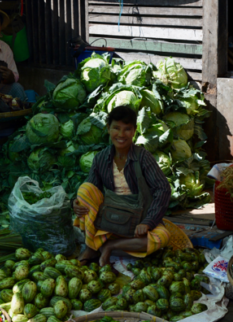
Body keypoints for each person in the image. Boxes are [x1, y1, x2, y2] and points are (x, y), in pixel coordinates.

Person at [73, 106, 175, 267]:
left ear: (134, 131)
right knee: (85, 190)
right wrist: (77, 203)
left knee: (163, 236)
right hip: (110, 220)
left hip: (138, 222)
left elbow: (163, 188)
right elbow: (92, 188)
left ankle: (109, 246)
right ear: (108, 128)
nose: (121, 135)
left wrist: (148, 222)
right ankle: (91, 247)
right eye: (116, 128)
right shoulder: (100, 158)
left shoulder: (143, 158)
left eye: (127, 129)